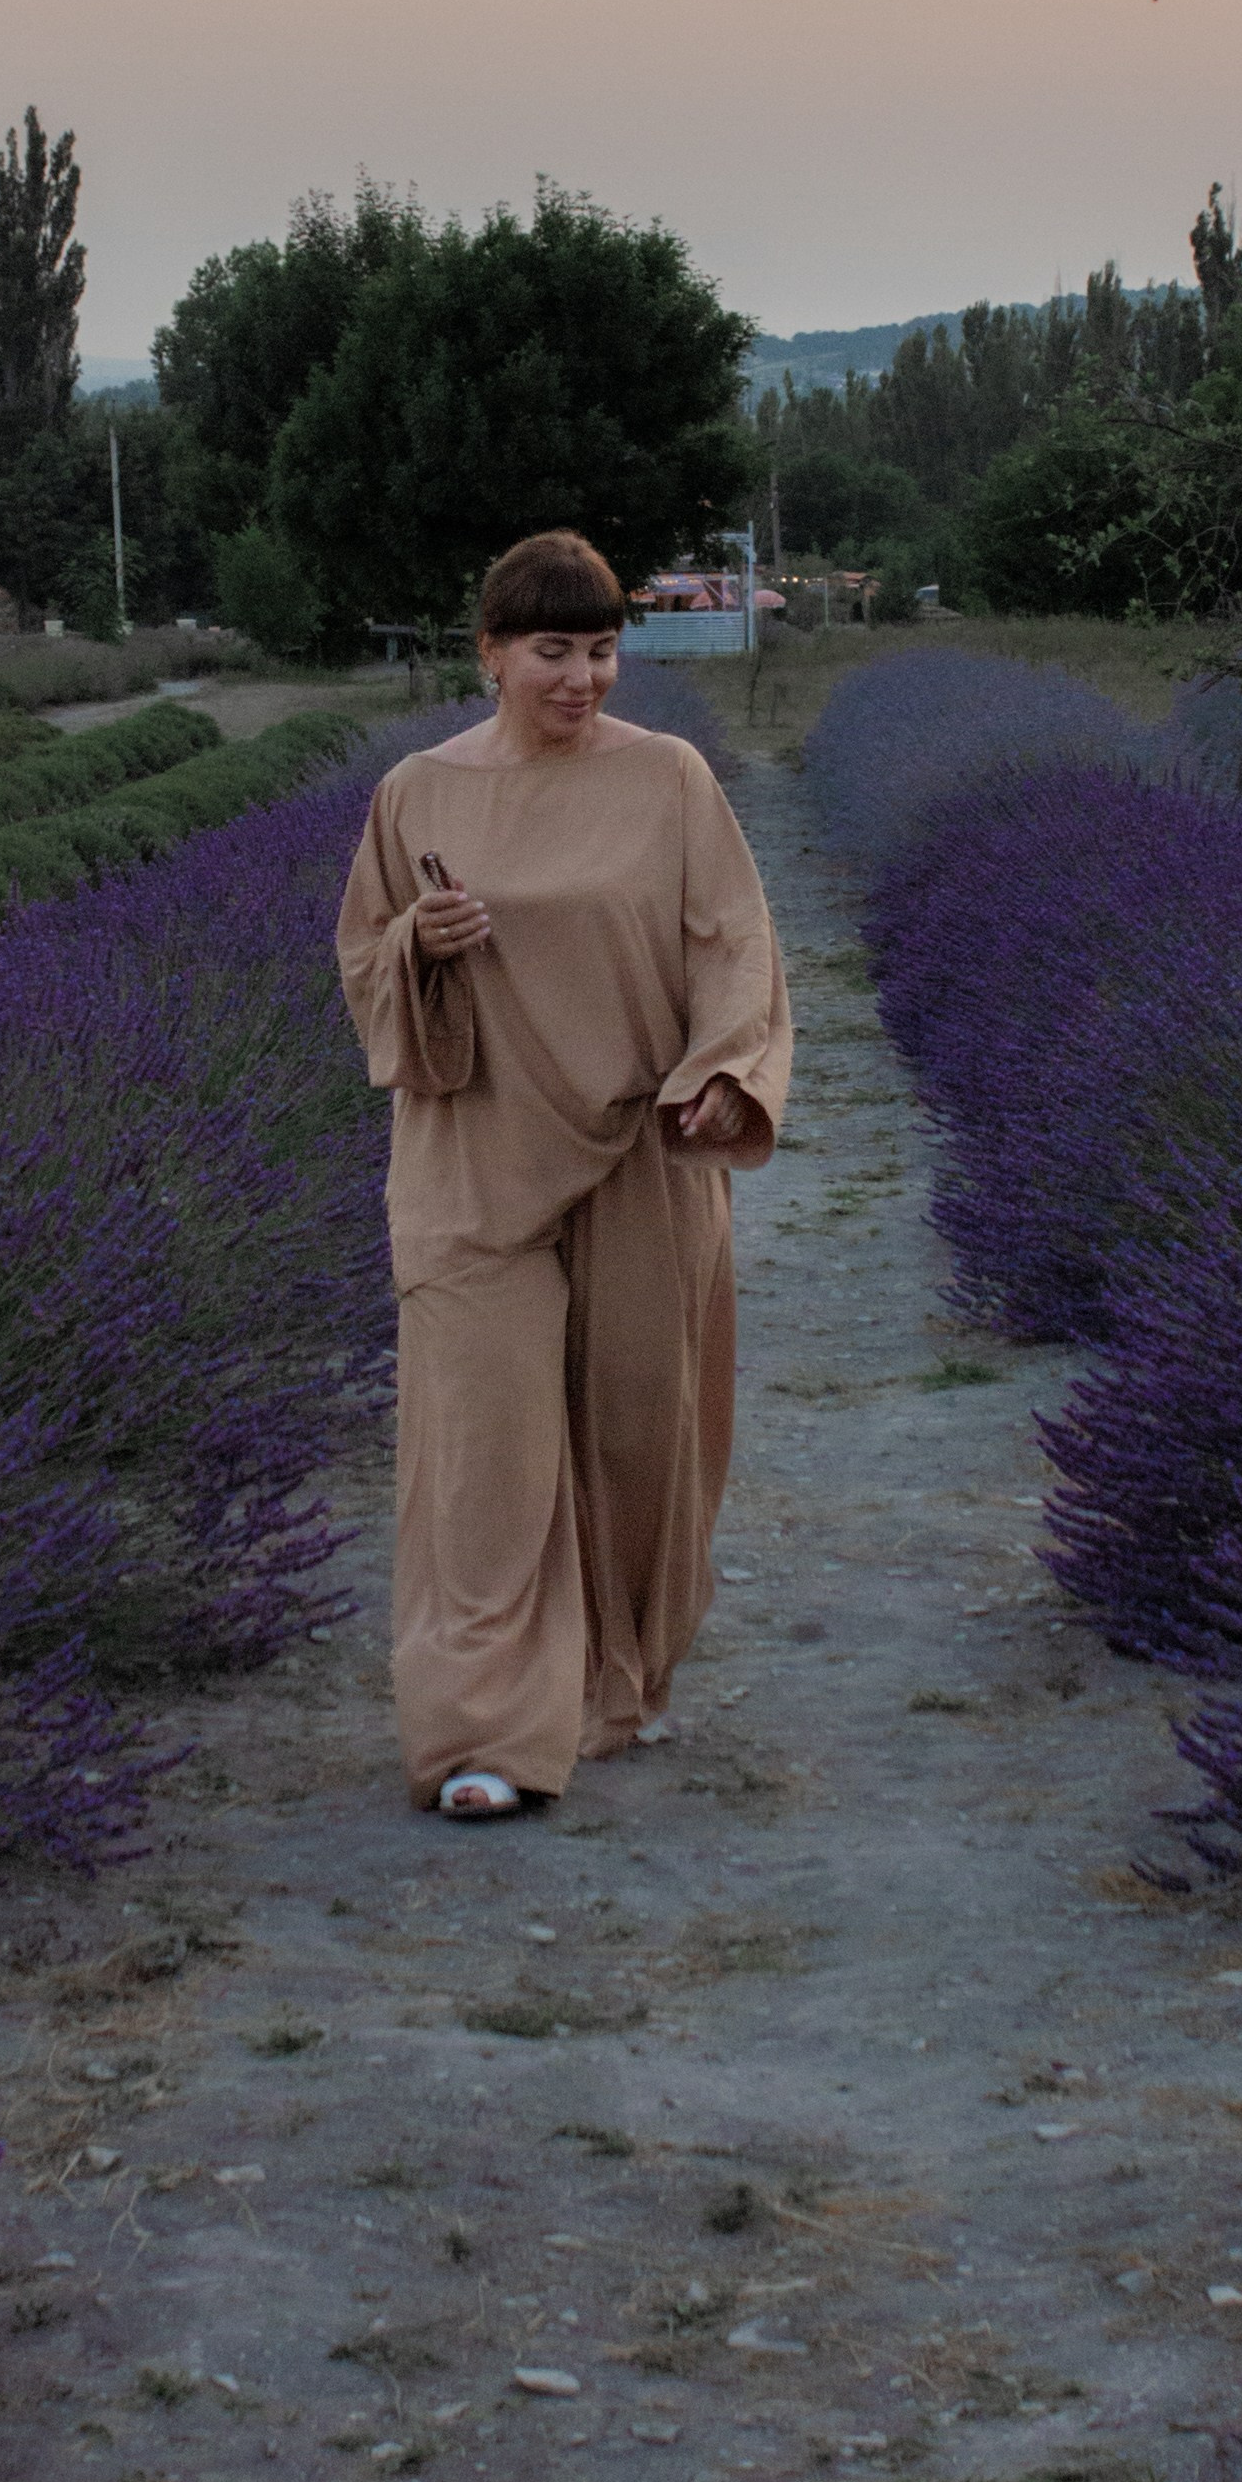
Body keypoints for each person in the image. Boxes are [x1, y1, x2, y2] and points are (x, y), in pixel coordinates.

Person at [335, 530, 792, 1818]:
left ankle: (609, 1676)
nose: (582, 677)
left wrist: (723, 1072)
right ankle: (482, 1733)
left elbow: (734, 946)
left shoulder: (671, 780)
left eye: (601, 650)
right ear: (490, 654)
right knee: (482, 1454)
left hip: (639, 1152)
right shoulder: (417, 793)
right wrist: (417, 945)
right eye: (552, 650)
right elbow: (362, 957)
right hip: (471, 1162)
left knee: (639, 1432)